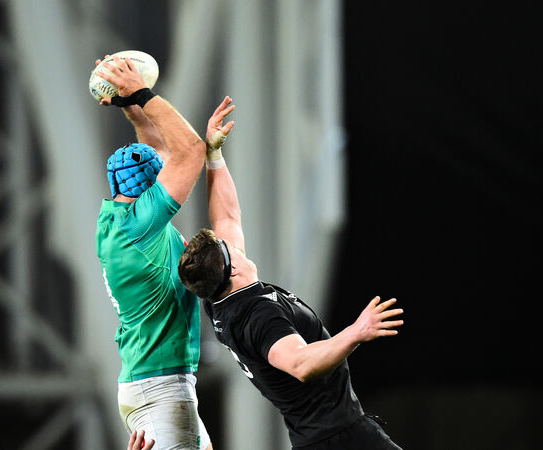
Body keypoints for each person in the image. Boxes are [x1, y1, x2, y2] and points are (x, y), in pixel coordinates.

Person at [177, 99, 405, 450]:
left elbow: (227, 217)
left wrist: (215, 156)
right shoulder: (258, 315)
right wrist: (356, 332)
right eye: (229, 248)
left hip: (318, 437)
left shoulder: (220, 296)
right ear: (232, 267)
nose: (235, 243)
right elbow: (300, 363)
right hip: (338, 438)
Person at [94, 53, 234, 450]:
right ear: (152, 187)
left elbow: (157, 151)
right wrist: (142, 92)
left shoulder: (116, 218)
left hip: (148, 383)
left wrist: (132, 107)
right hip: (161, 389)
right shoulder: (142, 225)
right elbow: (188, 150)